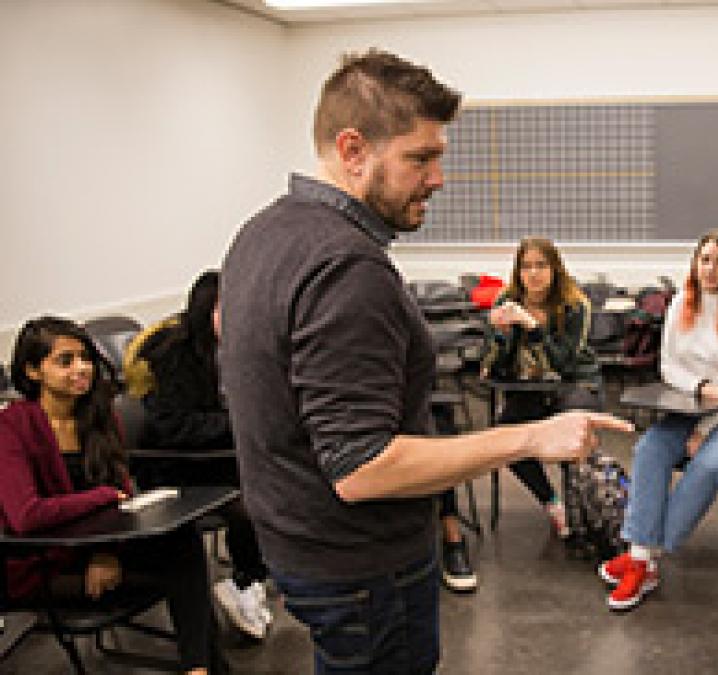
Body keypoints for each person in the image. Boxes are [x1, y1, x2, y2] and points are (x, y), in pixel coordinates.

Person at [218, 49, 631, 674]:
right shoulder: (348, 269)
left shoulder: (264, 232)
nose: (439, 177)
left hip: (300, 545)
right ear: (353, 150)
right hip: (361, 567)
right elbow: (363, 468)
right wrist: (530, 437)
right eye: (420, 158)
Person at [0, 317, 225, 674]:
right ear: (32, 371)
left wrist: (106, 550)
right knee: (185, 581)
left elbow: (120, 506)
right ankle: (204, 666)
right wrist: (103, 497)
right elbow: (28, 516)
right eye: (65, 360)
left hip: (97, 545)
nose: (82, 368)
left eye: (85, 357)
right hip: (41, 560)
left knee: (183, 541)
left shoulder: (101, 417)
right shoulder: (11, 426)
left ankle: (197, 669)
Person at [596, 229, 718, 611]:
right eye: (705, 259)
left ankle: (646, 556)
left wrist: (706, 430)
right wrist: (702, 387)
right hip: (695, 405)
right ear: (695, 262)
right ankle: (642, 557)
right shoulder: (681, 303)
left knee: (710, 464)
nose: (711, 269)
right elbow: (669, 367)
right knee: (649, 448)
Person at [123, 270, 274, 639]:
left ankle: (254, 579)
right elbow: (174, 428)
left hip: (216, 454)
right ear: (207, 309)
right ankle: (245, 582)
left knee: (280, 474)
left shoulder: (230, 348)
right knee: (251, 500)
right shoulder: (173, 353)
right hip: (176, 466)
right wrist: (237, 423)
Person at [479, 236, 601, 538]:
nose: (533, 273)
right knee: (507, 435)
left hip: (575, 382)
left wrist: (533, 328)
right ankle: (553, 503)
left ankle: (582, 512)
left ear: (555, 268)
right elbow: (494, 367)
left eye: (541, 265)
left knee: (571, 432)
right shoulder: (507, 300)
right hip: (529, 387)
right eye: (526, 266)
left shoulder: (575, 304)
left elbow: (562, 363)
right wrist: (500, 335)